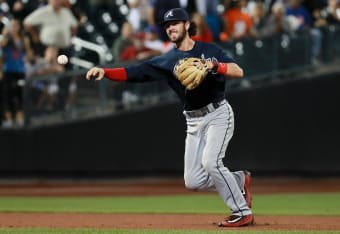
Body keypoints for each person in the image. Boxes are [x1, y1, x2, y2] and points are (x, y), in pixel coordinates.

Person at [86, 8, 254, 227]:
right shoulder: (167, 61)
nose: (170, 28)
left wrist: (213, 65)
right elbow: (135, 72)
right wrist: (106, 72)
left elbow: (237, 71)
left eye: (175, 23)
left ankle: (241, 211)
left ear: (186, 25)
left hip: (218, 113)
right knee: (193, 181)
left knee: (211, 162)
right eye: (167, 25)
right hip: (193, 120)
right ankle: (240, 179)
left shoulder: (208, 50)